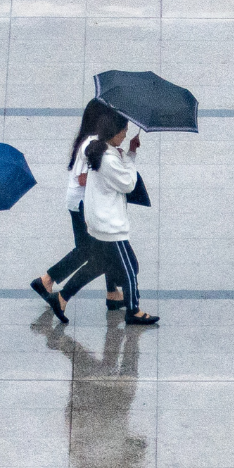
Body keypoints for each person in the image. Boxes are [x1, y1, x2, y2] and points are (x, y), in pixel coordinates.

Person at [30, 98, 124, 324]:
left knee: (97, 248)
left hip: (80, 202)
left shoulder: (92, 139)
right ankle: (48, 281)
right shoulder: (90, 142)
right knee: (94, 250)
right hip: (83, 204)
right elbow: (83, 178)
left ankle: (112, 293)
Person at [83, 111, 159, 326]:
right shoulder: (108, 159)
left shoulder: (106, 152)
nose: (126, 134)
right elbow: (128, 183)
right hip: (110, 226)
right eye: (123, 130)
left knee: (112, 266)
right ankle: (133, 310)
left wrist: (130, 151)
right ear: (113, 132)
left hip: (103, 223)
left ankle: (65, 296)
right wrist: (131, 159)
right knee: (129, 269)